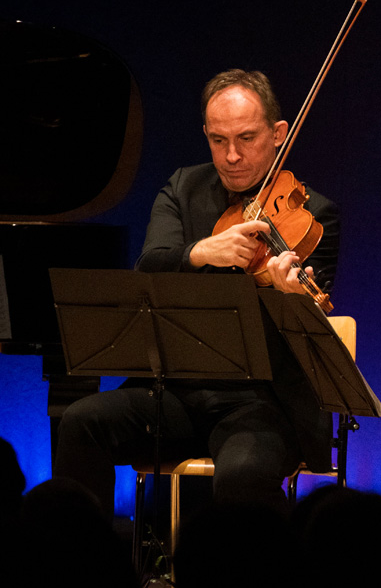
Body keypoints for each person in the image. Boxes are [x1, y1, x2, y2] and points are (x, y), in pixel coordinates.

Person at [53, 69, 340, 515]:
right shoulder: (182, 188)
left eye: (246, 138)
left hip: (263, 404)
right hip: (176, 394)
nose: (231, 156)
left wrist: (292, 297)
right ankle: (86, 557)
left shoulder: (315, 214)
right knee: (80, 422)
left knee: (243, 476)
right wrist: (202, 251)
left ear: (279, 134)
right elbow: (149, 265)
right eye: (218, 140)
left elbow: (312, 332)